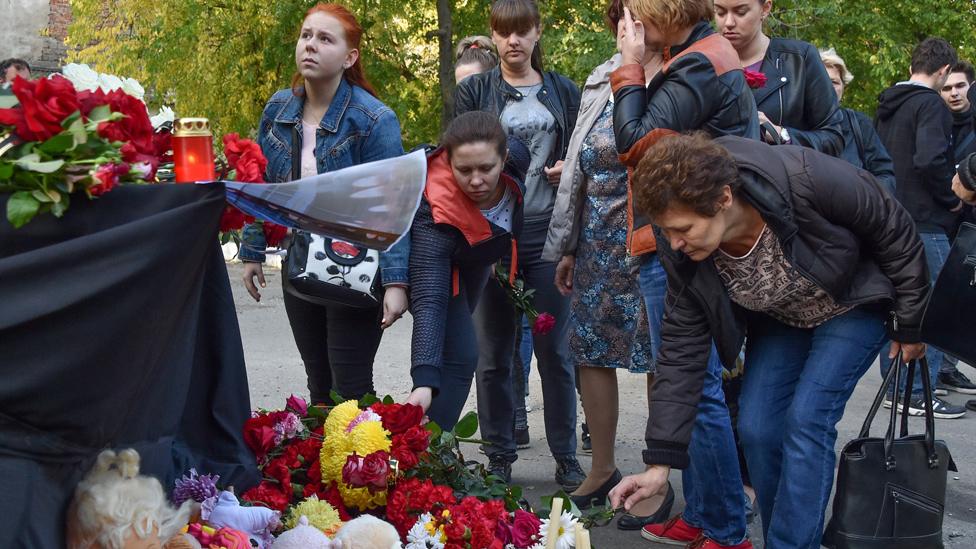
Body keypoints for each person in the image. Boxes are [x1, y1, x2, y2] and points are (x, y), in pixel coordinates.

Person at [610, 132, 930, 549]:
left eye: (684, 229)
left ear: (723, 198)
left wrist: (911, 320)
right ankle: (792, 535)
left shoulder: (801, 178)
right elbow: (680, 353)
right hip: (783, 318)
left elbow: (892, 225)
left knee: (807, 419)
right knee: (758, 427)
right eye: (667, 232)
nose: (675, 243)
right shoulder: (682, 250)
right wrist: (659, 464)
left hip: (851, 302)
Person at [610, 1, 758, 547]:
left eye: (636, 16)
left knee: (696, 388)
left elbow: (634, 143)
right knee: (692, 387)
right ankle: (703, 513)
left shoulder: (700, 61)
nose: (631, 29)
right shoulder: (690, 58)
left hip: (686, 241)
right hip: (676, 238)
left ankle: (724, 527)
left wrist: (628, 65)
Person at [239, 3, 409, 404]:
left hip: (356, 265)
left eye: (325, 39)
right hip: (298, 259)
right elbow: (260, 182)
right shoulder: (277, 110)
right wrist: (252, 251)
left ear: (350, 57)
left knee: (350, 386)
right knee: (318, 383)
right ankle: (324, 465)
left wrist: (398, 282)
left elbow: (395, 205)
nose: (310, 45)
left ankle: (364, 465)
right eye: (306, 35)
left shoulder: (373, 120)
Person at [543, 0, 667, 531]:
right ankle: (600, 468)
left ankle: (657, 476)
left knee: (663, 356)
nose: (629, 28)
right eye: (621, 18)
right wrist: (568, 245)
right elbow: (579, 167)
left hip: (656, 240)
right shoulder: (600, 78)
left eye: (639, 18)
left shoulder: (680, 75)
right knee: (591, 350)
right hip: (596, 242)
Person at [454, 0, 585, 490]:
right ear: (493, 34)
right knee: (494, 352)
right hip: (491, 232)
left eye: (522, 31)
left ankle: (567, 457)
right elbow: (455, 166)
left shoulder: (564, 91)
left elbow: (583, 156)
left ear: (536, 33)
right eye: (504, 32)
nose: (513, 41)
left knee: (556, 352)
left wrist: (567, 169)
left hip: (548, 233)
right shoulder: (474, 92)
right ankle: (499, 457)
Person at [405, 111, 529, 430]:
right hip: (443, 262)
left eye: (486, 168)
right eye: (464, 170)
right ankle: (427, 449)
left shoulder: (518, 158)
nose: (476, 180)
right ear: (447, 162)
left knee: (459, 352)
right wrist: (424, 379)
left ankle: (432, 451)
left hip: (477, 258)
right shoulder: (435, 210)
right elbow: (430, 301)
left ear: (504, 159)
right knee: (461, 355)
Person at [875, 36, 967, 419]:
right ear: (944, 71)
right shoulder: (931, 105)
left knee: (895, 303)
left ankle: (896, 386)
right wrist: (953, 199)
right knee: (931, 306)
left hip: (886, 217)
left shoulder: (886, 105)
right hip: (924, 220)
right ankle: (914, 392)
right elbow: (930, 159)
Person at [714, 0, 844, 154]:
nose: (729, 22)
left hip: (781, 175)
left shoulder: (800, 59)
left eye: (741, 12)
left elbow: (833, 138)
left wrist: (780, 134)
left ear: (765, 8)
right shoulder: (700, 62)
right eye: (720, 12)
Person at [936, 60, 976, 394]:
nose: (952, 93)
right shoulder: (938, 123)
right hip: (950, 224)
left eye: (959, 86)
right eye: (947, 87)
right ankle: (946, 369)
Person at [819, 47, 896, 193]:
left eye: (834, 82)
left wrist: (869, 205)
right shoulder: (796, 124)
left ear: (843, 88)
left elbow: (884, 174)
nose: (829, 87)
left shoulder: (859, 124)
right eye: (822, 81)